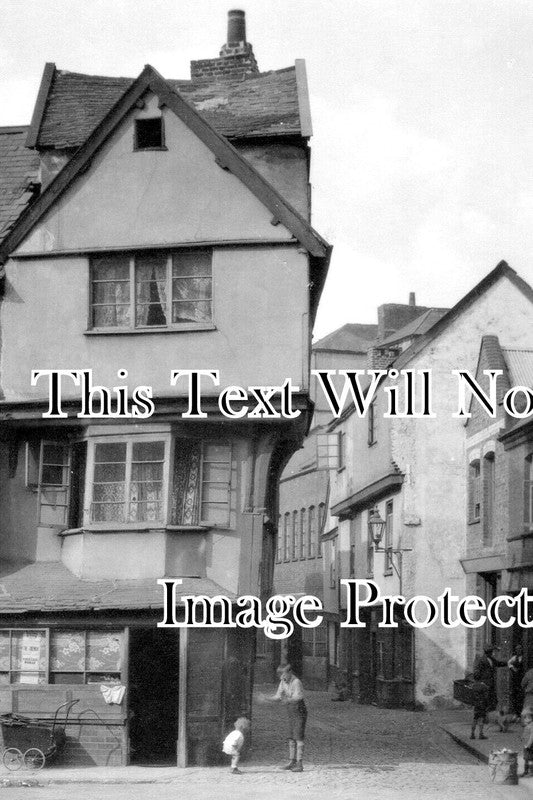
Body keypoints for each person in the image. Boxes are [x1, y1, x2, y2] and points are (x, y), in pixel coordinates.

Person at [274, 664, 307, 773]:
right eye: (280, 676)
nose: (281, 678)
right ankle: (291, 761)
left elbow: (299, 697)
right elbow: (278, 696)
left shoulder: (296, 682)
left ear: (290, 672)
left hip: (299, 710)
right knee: (291, 737)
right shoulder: (283, 681)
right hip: (291, 710)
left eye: (283, 675)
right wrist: (267, 698)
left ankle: (299, 763)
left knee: (298, 737)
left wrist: (288, 700)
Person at [473, 644, 506, 712]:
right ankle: (482, 717)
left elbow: (498, 663)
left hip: (491, 683)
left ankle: (489, 715)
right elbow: (477, 672)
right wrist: (479, 681)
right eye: (491, 651)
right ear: (487, 652)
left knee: (493, 700)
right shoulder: (481, 660)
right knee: (483, 701)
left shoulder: (491, 659)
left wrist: (508, 663)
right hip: (484, 683)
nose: (492, 653)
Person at [508, 644, 525, 715]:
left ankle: (521, 711)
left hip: (522, 678)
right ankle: (516, 712)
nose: (518, 650)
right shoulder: (514, 658)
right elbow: (509, 663)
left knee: (521, 696)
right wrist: (513, 668)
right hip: (515, 680)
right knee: (515, 695)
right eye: (517, 649)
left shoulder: (524, 658)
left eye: (520, 649)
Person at [522, 710, 533, 777]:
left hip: (530, 746)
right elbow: (525, 734)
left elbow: (532, 737)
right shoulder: (528, 725)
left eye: (526, 718)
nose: (525, 720)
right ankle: (525, 771)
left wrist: (528, 745)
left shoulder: (532, 726)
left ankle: (531, 772)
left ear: (530, 718)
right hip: (526, 745)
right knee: (526, 758)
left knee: (530, 759)